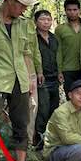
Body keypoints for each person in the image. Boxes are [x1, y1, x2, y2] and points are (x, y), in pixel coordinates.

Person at [0, 0, 38, 161]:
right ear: (9, 1)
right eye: (22, 5)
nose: (24, 10)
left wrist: (30, 78)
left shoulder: (23, 24)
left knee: (21, 126)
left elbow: (26, 53)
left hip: (20, 81)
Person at [32, 10, 61, 151]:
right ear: (36, 21)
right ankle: (38, 142)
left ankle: (51, 140)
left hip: (54, 78)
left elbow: (58, 57)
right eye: (42, 19)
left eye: (48, 20)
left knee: (53, 109)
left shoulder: (54, 38)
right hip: (40, 79)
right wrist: (37, 72)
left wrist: (60, 72)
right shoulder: (32, 38)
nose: (46, 22)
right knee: (42, 110)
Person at [55, 0, 81, 93]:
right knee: (71, 97)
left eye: (75, 9)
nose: (72, 12)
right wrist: (59, 71)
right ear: (65, 11)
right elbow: (58, 51)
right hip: (68, 70)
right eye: (69, 10)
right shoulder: (60, 29)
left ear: (79, 10)